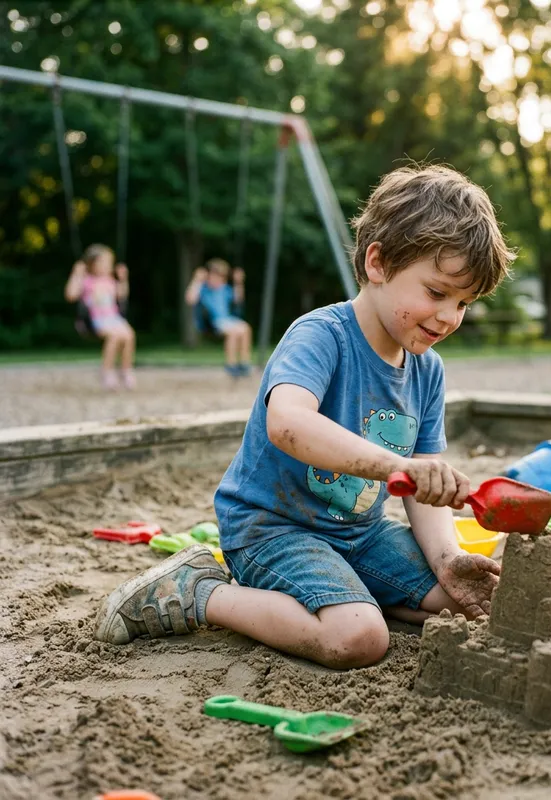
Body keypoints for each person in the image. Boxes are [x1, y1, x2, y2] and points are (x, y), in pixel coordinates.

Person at [94, 164, 516, 668]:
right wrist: (391, 467)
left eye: (464, 303)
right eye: (436, 293)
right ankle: (198, 591)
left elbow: (424, 492)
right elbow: (289, 424)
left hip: (359, 533)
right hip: (272, 528)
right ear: (378, 263)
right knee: (358, 639)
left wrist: (447, 560)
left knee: (463, 602)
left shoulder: (428, 371)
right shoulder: (322, 336)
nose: (449, 317)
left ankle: (353, 592)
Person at [64, 243, 137, 390]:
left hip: (114, 317)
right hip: (95, 319)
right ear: (92, 264)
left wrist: (123, 279)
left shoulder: (110, 280)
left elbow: (122, 295)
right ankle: (107, 371)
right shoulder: (86, 280)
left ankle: (126, 369)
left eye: (110, 263)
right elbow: (70, 295)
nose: (108, 266)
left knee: (129, 335)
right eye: (104, 262)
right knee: (115, 337)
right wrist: (76, 274)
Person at [185, 258, 252, 377]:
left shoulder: (224, 289)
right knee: (233, 332)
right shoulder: (203, 289)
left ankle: (244, 362)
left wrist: (238, 282)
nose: (217, 280)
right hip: (212, 323)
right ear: (208, 276)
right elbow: (190, 299)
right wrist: (197, 280)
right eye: (214, 276)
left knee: (246, 328)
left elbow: (238, 299)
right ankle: (231, 364)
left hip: (227, 319)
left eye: (221, 277)